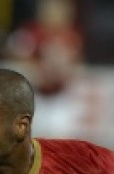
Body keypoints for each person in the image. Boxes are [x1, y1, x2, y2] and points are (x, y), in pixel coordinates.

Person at [5, 0, 85, 138]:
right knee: (30, 138)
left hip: (61, 97)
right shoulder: (34, 31)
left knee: (61, 140)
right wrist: (34, 70)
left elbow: (76, 64)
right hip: (37, 95)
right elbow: (15, 52)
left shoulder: (71, 35)